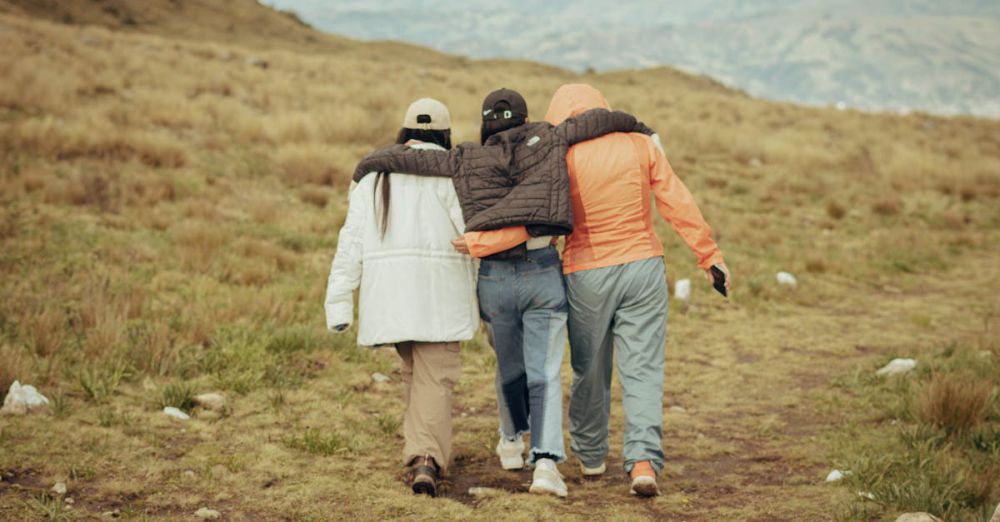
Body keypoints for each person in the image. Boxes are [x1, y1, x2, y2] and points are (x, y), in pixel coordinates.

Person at [353, 88, 657, 498]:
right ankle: (546, 464)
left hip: (494, 278)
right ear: (526, 118)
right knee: (545, 371)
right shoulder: (549, 139)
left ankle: (512, 436)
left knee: (509, 367)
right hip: (542, 274)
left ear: (484, 125)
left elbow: (419, 159)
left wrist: (372, 161)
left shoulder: (466, 157)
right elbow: (593, 122)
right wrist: (637, 125)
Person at [456, 84, 730, 498]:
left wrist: (479, 244)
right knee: (644, 370)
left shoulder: (557, 154)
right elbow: (675, 198)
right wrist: (708, 255)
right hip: (643, 266)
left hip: (586, 273)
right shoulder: (640, 144)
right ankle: (642, 462)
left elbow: (536, 218)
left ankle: (590, 454)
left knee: (590, 370)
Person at [324, 98, 478, 498]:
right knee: (435, 377)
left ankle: (419, 449)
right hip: (439, 294)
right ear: (444, 134)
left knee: (416, 372)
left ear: (405, 132)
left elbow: (350, 241)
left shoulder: (373, 176)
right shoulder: (454, 174)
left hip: (389, 297)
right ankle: (426, 460)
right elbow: (473, 235)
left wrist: (339, 302)